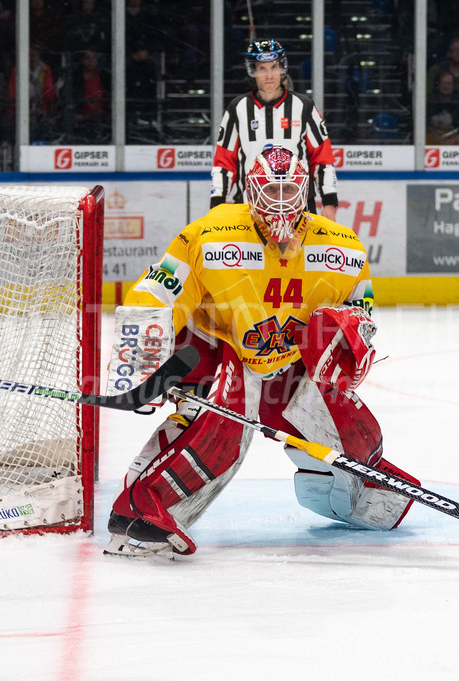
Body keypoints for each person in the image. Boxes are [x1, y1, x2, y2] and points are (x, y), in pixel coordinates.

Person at [104, 146, 419, 558]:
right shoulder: (210, 235)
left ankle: (366, 497)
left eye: (290, 192)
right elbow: (158, 293)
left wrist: (348, 339)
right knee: (221, 434)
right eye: (271, 191)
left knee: (353, 429)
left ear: (306, 191)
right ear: (250, 192)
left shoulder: (342, 248)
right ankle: (142, 510)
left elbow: (361, 312)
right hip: (218, 346)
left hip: (290, 359)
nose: (281, 203)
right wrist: (139, 361)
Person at [211, 40, 339, 221]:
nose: (269, 75)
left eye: (274, 67)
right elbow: (224, 163)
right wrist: (217, 204)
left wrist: (329, 202)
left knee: (299, 251)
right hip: (250, 208)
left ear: (282, 68)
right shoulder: (237, 108)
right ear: (252, 71)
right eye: (262, 69)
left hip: (298, 209)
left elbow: (323, 158)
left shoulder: (304, 106)